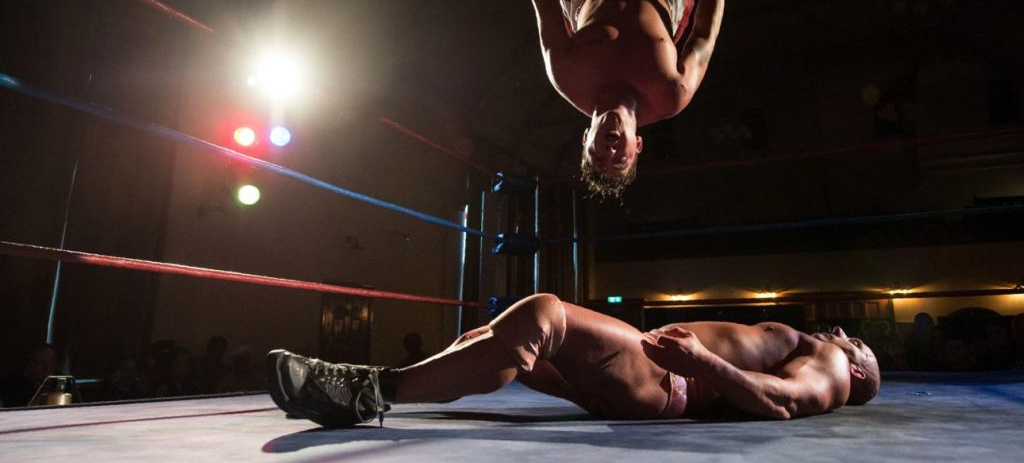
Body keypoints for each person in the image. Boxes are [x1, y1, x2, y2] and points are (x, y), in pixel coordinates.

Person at [266, 293, 879, 427]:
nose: (846, 334)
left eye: (859, 345)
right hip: (650, 378)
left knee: (544, 316)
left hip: (667, 382)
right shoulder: (809, 343)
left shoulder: (829, 365)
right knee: (496, 338)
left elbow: (783, 403)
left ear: (857, 372)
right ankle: (354, 390)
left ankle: (366, 390)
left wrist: (701, 362)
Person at [520, 0, 726, 198]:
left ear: (585, 138)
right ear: (638, 145)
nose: (610, 149)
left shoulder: (566, 76)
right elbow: (703, 37)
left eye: (598, 155)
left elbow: (544, 2)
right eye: (619, 160)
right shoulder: (672, 93)